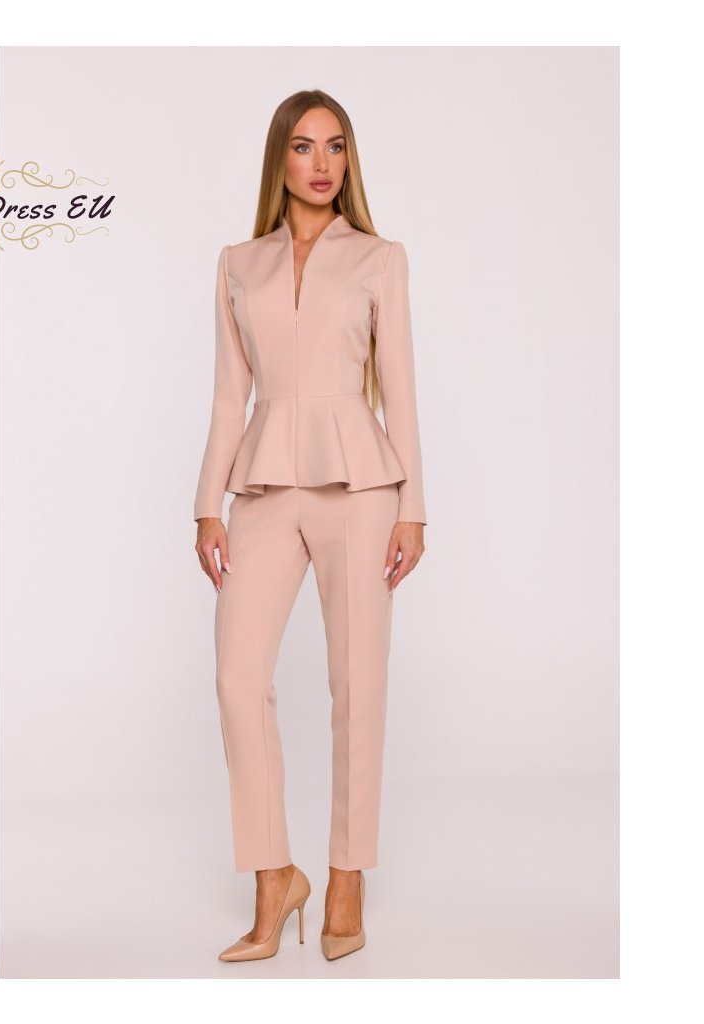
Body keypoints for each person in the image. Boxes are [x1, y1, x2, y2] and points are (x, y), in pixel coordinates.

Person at [193, 90, 427, 963]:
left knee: (356, 684)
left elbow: (400, 389)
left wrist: (413, 507)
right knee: (236, 676)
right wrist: (207, 503)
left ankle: (346, 876)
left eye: (335, 147)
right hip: (262, 484)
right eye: (303, 146)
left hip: (362, 487)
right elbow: (229, 397)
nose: (321, 163)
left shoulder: (379, 258)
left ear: (348, 159)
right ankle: (273, 877)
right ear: (279, 159)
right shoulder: (237, 264)